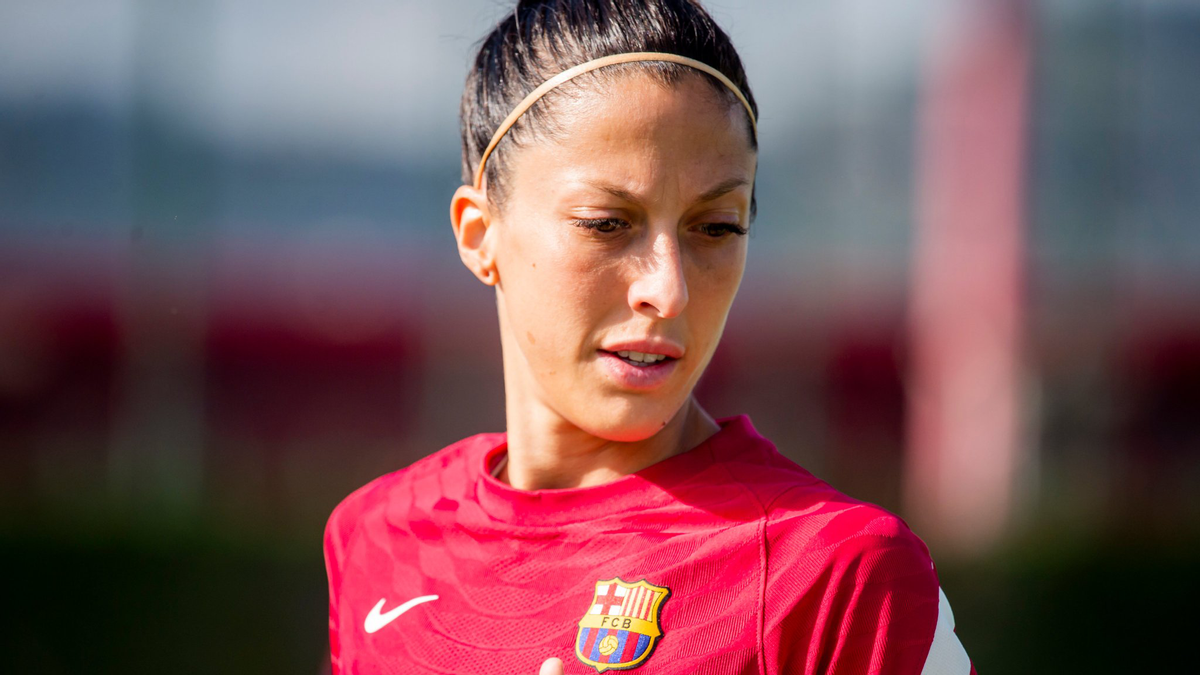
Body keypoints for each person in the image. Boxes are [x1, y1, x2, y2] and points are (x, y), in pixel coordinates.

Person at [324, 1, 976, 673]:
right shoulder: (377, 535)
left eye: (716, 227)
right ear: (479, 233)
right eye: (607, 223)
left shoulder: (833, 572)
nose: (668, 290)